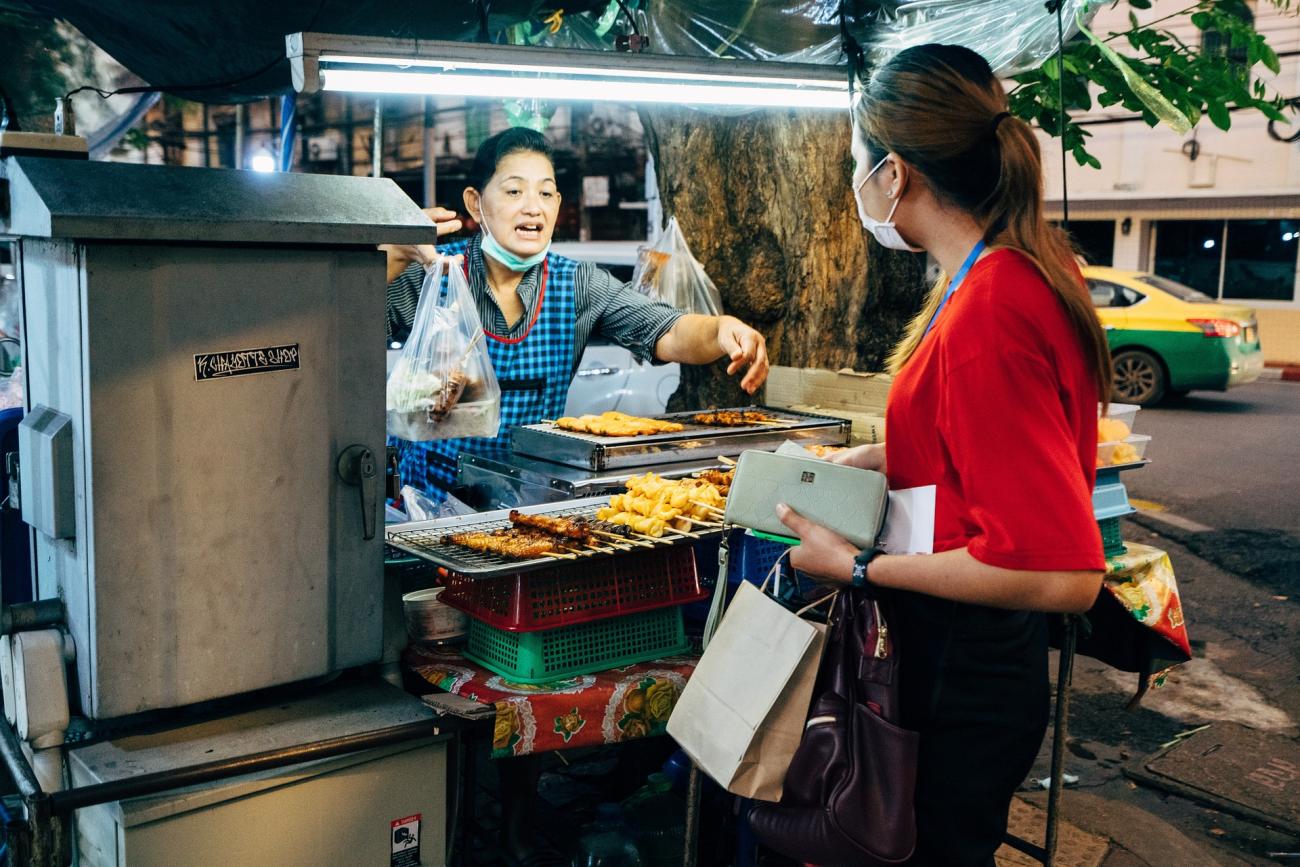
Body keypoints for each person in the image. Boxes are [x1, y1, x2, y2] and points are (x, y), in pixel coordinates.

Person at [775, 44, 1110, 866]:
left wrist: (855, 568)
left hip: (963, 666)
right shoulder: (1006, 272)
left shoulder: (992, 308)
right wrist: (884, 459)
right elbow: (985, 436)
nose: (855, 181)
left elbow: (1063, 574)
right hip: (962, 660)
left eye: (857, 162)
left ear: (895, 173)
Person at [384, 127, 769, 499]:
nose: (533, 206)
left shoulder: (577, 284)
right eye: (514, 190)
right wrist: (392, 255)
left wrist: (721, 329)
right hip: (428, 504)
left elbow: (667, 329)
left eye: (546, 193)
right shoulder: (432, 273)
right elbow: (336, 327)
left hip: (525, 504)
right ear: (475, 202)